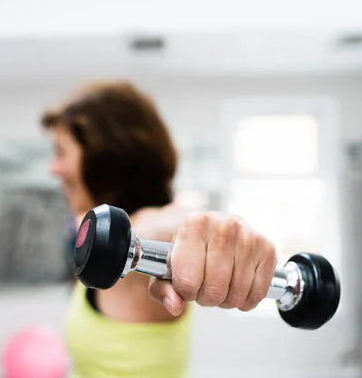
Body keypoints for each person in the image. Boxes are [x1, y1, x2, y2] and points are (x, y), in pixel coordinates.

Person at [41, 80, 277, 378]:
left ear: (105, 157)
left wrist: (206, 230)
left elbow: (166, 226)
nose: (53, 168)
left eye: (61, 152)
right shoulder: (106, 250)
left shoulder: (135, 237)